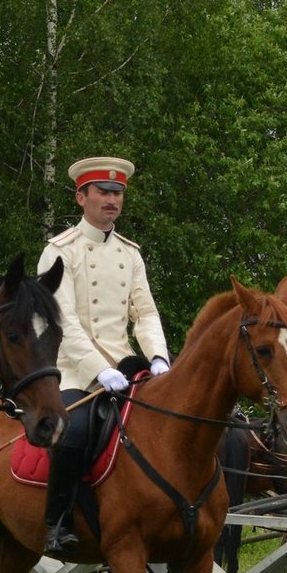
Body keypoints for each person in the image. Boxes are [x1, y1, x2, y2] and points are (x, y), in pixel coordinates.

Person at [35, 156, 170, 551]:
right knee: (73, 431)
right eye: (103, 192)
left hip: (125, 367)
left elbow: (144, 312)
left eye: (118, 193)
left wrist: (159, 357)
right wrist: (97, 369)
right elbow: (61, 321)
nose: (112, 200)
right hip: (73, 369)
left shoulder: (131, 254)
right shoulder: (59, 250)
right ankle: (55, 524)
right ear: (82, 197)